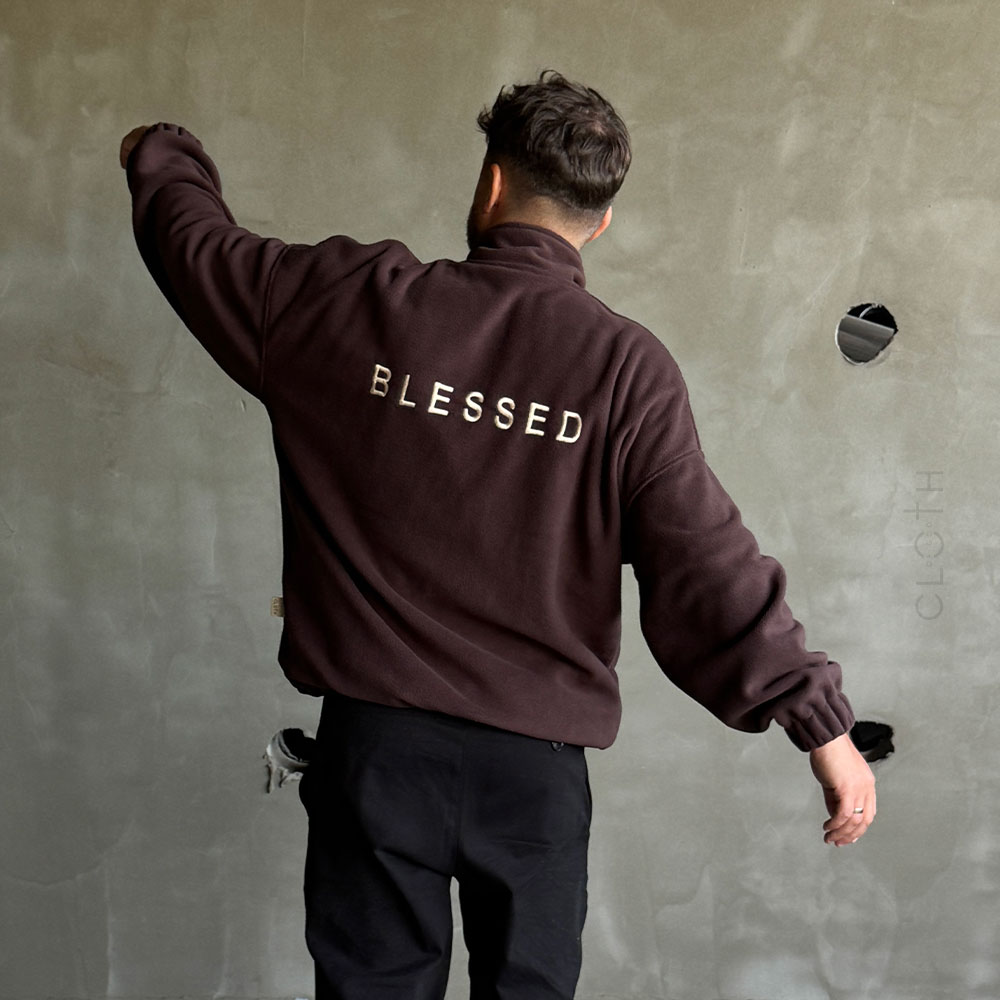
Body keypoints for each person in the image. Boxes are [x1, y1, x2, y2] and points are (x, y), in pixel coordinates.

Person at [121, 70, 875, 1000]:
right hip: (534, 778)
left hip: (375, 755)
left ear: (489, 184)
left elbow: (193, 245)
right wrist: (819, 725)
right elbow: (704, 559)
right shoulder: (625, 371)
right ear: (601, 222)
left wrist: (159, 153)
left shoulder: (352, 303)